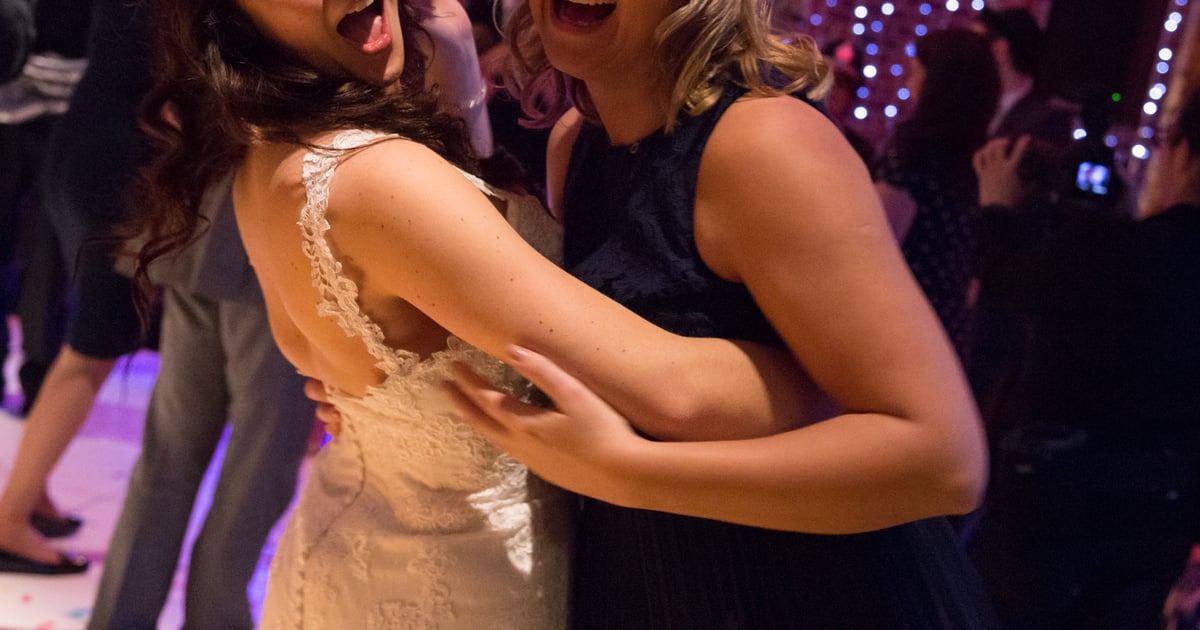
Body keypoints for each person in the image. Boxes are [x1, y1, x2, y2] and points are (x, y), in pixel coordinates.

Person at [132, 0, 827, 626]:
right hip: (460, 587)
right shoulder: (375, 179)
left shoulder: (279, 146)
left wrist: (458, 66)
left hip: (363, 550)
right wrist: (860, 397)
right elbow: (675, 389)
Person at [445, 2, 993, 627]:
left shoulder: (763, 141)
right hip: (651, 584)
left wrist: (631, 473)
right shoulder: (578, 143)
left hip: (810, 593)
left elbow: (942, 459)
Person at [963, 86, 1200, 630]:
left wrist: (996, 207)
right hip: (1164, 508)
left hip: (1064, 503)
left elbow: (1008, 281)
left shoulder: (1121, 254)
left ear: (1182, 151)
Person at [85, 175, 316, 630]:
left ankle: (119, 620)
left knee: (171, 454)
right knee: (260, 460)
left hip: (208, 215)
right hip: (283, 230)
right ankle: (215, 621)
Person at [0, 0, 151, 574]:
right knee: (94, 344)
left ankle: (28, 492)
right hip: (118, 156)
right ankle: (11, 520)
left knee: (77, 333)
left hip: (84, 137)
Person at [873, 27, 1000, 361]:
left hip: (899, 325)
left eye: (916, 72)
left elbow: (877, 241)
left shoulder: (915, 151)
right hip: (946, 331)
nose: (908, 83)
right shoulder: (980, 159)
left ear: (938, 83)